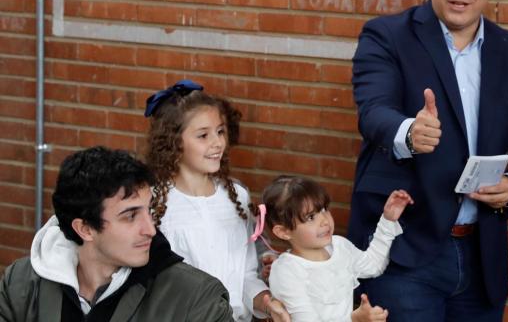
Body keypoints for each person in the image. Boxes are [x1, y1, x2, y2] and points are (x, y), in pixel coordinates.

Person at [347, 0, 508, 320]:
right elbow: (374, 111)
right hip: (403, 252)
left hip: (482, 257)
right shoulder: (386, 35)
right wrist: (409, 132)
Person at [0, 146, 234, 321]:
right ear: (85, 229)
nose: (151, 229)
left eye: (149, 209)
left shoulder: (197, 298)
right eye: (130, 216)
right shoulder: (21, 284)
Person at [144, 80, 289, 322]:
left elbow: (245, 275)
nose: (218, 142)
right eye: (203, 135)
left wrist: (267, 303)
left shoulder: (236, 196)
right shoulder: (155, 203)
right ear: (174, 142)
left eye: (220, 131)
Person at [257, 175, 413, 321]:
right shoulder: (287, 270)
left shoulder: (339, 247)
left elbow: (373, 265)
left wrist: (387, 221)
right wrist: (354, 319)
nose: (324, 221)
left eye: (324, 209)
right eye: (311, 217)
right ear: (283, 232)